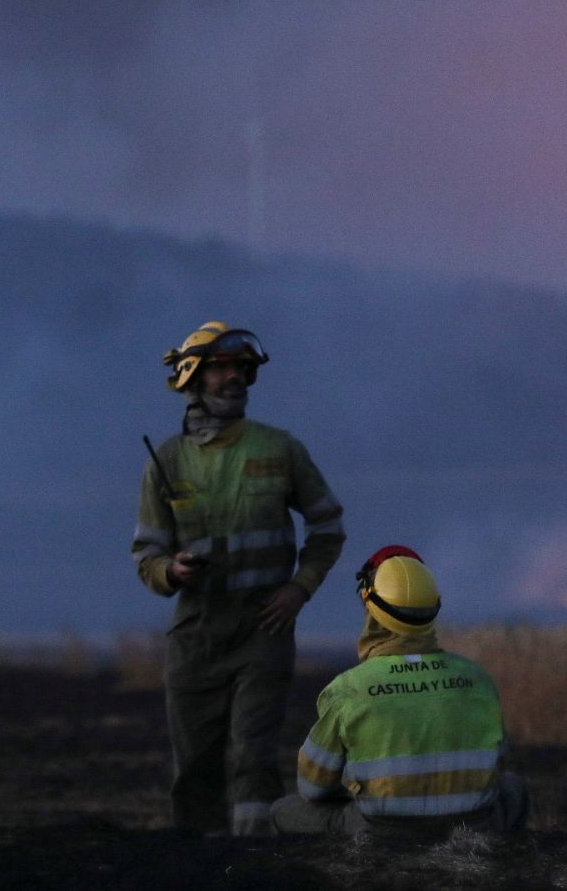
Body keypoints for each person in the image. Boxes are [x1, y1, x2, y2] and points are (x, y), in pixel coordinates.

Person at [132, 321, 346, 836]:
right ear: (193, 378)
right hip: (196, 634)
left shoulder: (279, 449)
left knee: (254, 758)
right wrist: (172, 571)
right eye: (221, 368)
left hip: (263, 631)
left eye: (240, 369)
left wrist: (299, 589)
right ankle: (199, 867)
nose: (234, 379)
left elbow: (328, 526)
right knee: (195, 768)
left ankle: (255, 868)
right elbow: (147, 554)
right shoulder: (167, 460)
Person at [271, 545, 528, 837]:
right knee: (513, 788)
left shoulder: (347, 689)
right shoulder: (478, 680)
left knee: (284, 810)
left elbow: (311, 787)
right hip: (475, 826)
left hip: (381, 830)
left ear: (372, 610)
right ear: (434, 608)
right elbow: (499, 763)